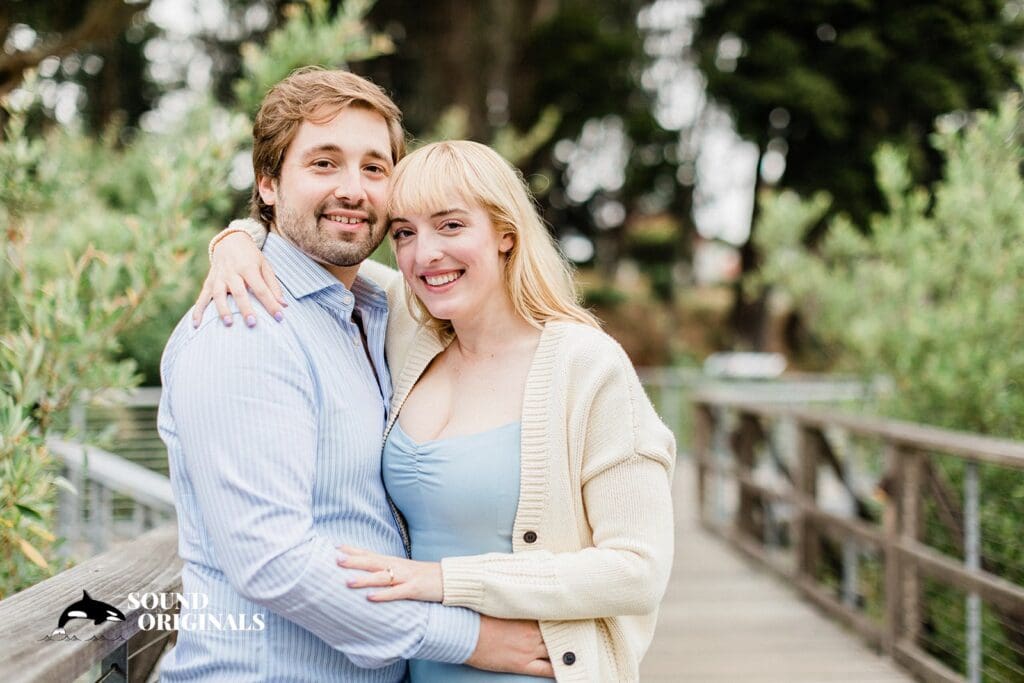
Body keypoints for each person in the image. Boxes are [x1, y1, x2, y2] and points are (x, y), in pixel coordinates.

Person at [196, 138, 677, 681]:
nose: (426, 255)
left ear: (505, 234)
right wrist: (236, 241)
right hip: (424, 666)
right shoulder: (408, 331)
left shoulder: (586, 366)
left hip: (534, 668)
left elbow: (638, 571)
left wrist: (445, 581)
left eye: (450, 226)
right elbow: (306, 251)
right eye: (404, 233)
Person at [158, 68, 552, 683]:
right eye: (324, 163)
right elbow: (272, 559)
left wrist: (236, 237)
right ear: (268, 183)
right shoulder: (246, 326)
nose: (354, 189)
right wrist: (469, 639)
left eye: (374, 167)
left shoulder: (373, 309)